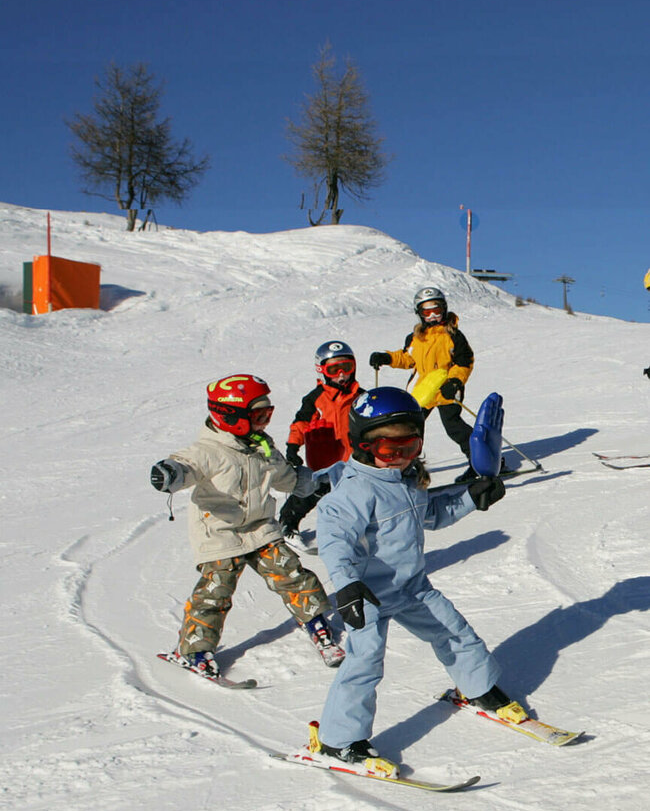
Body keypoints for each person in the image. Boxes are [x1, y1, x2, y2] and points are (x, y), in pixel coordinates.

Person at [308, 387, 524, 777]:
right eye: (392, 451)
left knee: (455, 632)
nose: (403, 458)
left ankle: (477, 688)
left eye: (411, 447)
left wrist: (473, 498)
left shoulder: (406, 480)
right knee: (364, 664)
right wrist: (346, 584)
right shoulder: (356, 490)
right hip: (366, 595)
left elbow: (433, 514)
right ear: (363, 445)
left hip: (412, 588)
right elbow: (334, 538)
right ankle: (337, 741)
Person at [150, 373, 345, 671]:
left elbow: (285, 477)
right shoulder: (208, 450)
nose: (265, 422)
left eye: (268, 415)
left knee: (291, 573)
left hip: (260, 528)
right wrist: (171, 472)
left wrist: (316, 483)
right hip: (220, 533)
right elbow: (186, 464)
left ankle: (315, 621)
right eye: (259, 416)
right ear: (232, 416)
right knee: (216, 591)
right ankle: (195, 650)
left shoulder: (260, 446)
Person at [369, 286, 492, 483]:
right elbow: (407, 358)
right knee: (409, 431)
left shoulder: (453, 336)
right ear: (420, 314)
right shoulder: (417, 338)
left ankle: (482, 462)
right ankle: (406, 469)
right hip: (422, 393)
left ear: (444, 309)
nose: (433, 315)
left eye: (437, 310)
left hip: (446, 391)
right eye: (427, 312)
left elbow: (464, 362)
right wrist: (387, 358)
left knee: (455, 428)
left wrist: (454, 381)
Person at [279, 341, 363, 544]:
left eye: (347, 367)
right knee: (314, 489)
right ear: (321, 370)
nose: (342, 374)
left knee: (358, 494)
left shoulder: (361, 397)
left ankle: (355, 530)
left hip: (355, 458)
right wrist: (293, 447)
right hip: (326, 457)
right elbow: (300, 423)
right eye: (334, 369)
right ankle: (287, 522)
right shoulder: (316, 399)